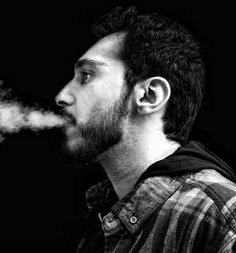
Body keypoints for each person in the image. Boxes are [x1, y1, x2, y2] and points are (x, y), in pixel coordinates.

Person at [55, 6, 236, 253]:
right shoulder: (99, 220)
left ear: (149, 95)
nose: (62, 96)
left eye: (86, 76)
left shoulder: (221, 217)